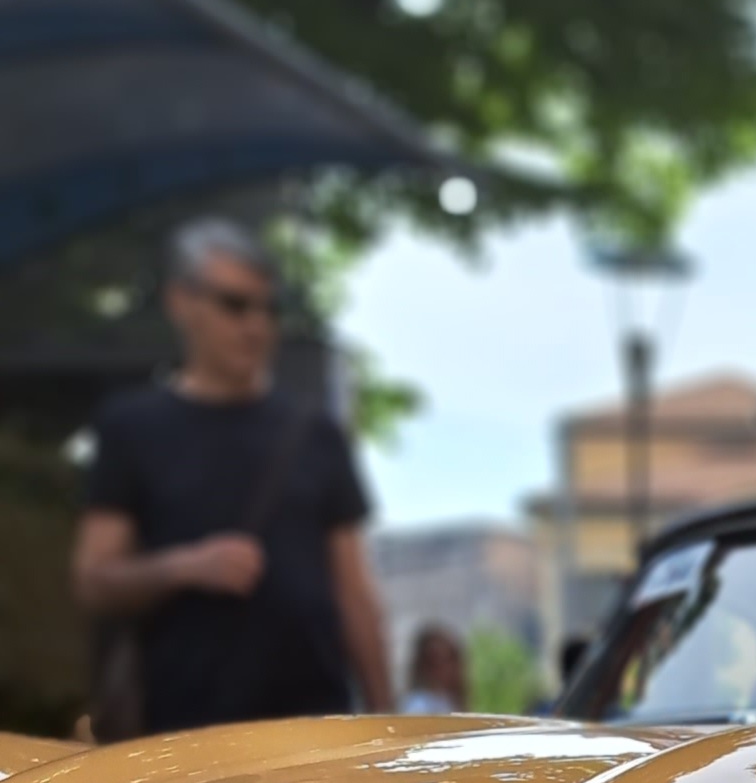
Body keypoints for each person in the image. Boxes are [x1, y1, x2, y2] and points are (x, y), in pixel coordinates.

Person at [72, 220, 394, 733]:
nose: (256, 325)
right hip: (181, 740)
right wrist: (184, 566)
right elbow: (94, 580)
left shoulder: (315, 432)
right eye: (235, 304)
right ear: (182, 303)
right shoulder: (132, 428)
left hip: (314, 732)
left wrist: (385, 728)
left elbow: (354, 592)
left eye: (268, 308)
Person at [399, 622, 469, 715]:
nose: (447, 669)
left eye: (450, 661)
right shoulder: (417, 705)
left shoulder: (448, 700)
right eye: (437, 663)